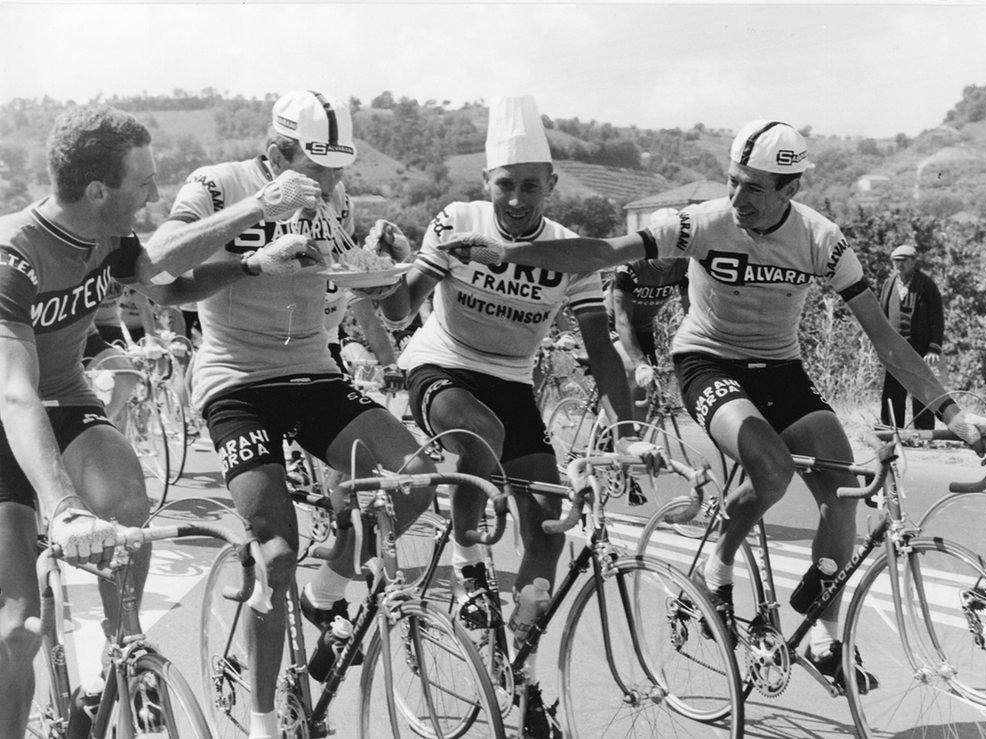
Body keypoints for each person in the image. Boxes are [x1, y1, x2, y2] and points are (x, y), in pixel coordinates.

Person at [442, 119, 986, 693]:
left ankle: (824, 638)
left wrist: (956, 417)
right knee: (773, 468)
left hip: (780, 370)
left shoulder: (822, 240)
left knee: (845, 485)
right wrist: (512, 250)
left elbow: (884, 336)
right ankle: (718, 564)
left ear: (791, 190)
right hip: (706, 363)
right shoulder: (701, 221)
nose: (737, 198)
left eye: (754, 188)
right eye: (732, 181)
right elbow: (604, 252)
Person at [144, 90, 435, 739]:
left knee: (420, 475)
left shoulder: (336, 201)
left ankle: (326, 590)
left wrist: (379, 283)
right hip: (236, 379)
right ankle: (263, 721)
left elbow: (349, 282)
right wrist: (253, 242)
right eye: (317, 167)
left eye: (340, 169)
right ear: (276, 152)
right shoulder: (219, 185)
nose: (332, 183)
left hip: (312, 371)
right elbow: (159, 265)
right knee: (276, 552)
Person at [378, 95, 661, 732]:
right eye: (506, 185)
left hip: (508, 380)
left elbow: (600, 348)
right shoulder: (457, 220)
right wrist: (378, 278)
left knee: (551, 524)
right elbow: (402, 310)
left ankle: (523, 673)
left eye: (531, 186)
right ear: (488, 184)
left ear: (551, 186)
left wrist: (626, 431)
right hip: (441, 364)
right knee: (481, 432)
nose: (517, 200)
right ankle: (470, 566)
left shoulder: (567, 252)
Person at [0, 105, 169, 737]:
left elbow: (174, 286)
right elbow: (15, 392)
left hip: (67, 399)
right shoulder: (13, 252)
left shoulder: (114, 236)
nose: (155, 193)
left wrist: (256, 252)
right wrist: (64, 505)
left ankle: (118, 655)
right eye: (145, 180)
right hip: (4, 409)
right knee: (18, 630)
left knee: (126, 494)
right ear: (99, 190)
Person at [606, 257, 689, 424]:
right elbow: (622, 320)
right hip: (612, 324)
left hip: (643, 328)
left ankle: (632, 441)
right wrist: (640, 363)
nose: (671, 254)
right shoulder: (630, 267)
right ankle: (608, 421)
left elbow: (691, 312)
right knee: (632, 369)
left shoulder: (683, 266)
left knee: (646, 391)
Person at [878, 244, 944, 429]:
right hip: (894, 350)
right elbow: (882, 316)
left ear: (913, 262)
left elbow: (937, 319)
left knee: (922, 391)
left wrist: (933, 347)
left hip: (920, 349)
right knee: (892, 391)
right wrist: (880, 345)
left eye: (903, 261)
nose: (899, 265)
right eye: (895, 261)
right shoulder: (889, 284)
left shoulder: (927, 285)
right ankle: (891, 431)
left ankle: (923, 435)